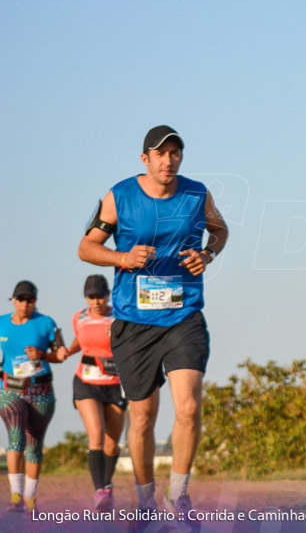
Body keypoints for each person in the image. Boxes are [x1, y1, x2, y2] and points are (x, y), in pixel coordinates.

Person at [77, 125, 228, 519]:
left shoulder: (197, 194)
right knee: (142, 416)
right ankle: (145, 503)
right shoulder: (120, 196)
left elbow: (220, 230)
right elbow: (87, 247)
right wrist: (122, 258)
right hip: (134, 321)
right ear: (145, 159)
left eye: (175, 153)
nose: (169, 160)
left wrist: (208, 255)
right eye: (161, 153)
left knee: (189, 408)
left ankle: (177, 495)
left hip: (184, 315)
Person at [0, 280, 66, 513]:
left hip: (41, 391)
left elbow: (61, 354)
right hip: (10, 390)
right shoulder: (1, 324)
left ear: (35, 301)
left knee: (34, 445)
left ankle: (30, 497)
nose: (26, 304)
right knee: (16, 435)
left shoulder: (46, 323)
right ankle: (15, 495)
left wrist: (43, 355)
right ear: (13, 300)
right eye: (21, 299)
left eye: (30, 300)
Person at [63, 274, 126, 512]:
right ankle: (99, 491)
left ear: (108, 296)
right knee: (96, 434)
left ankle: (107, 485)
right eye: (91, 297)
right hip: (85, 381)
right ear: (85, 297)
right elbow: (80, 340)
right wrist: (67, 351)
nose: (96, 301)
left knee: (112, 445)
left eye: (100, 296)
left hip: (115, 383)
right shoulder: (78, 317)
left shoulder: (119, 316)